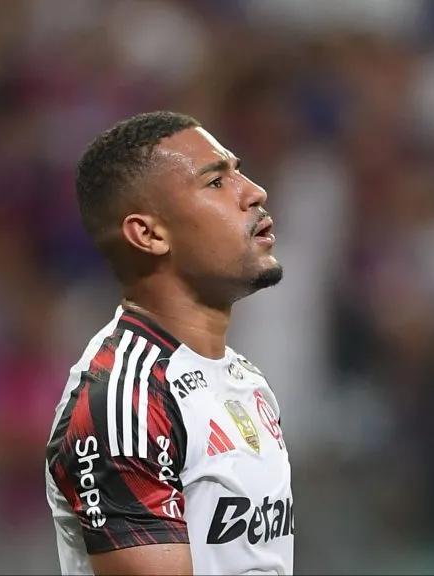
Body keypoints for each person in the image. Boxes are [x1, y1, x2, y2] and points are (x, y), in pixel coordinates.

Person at [45, 111, 293, 575]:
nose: (254, 192)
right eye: (216, 182)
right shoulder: (126, 402)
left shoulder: (243, 378)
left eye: (237, 171)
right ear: (150, 234)